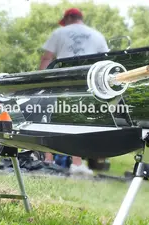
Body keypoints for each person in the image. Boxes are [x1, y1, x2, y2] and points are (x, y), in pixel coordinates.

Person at [38, 8, 109, 177]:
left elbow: (47, 58)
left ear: (69, 18)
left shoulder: (59, 32)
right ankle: (76, 163)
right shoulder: (97, 36)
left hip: (63, 80)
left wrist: (40, 81)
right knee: (78, 121)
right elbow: (106, 60)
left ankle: (48, 160)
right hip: (87, 83)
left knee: (51, 118)